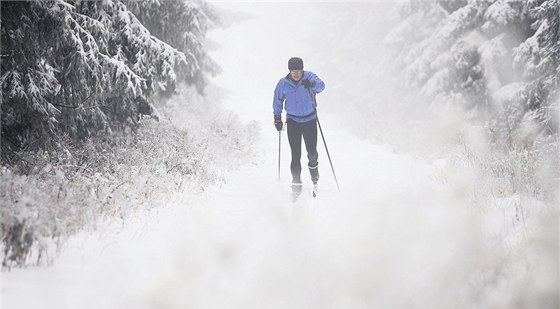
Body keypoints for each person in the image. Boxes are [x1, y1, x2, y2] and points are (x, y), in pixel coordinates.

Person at [273, 57, 325, 199]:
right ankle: (296, 185)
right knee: (295, 155)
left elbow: (321, 86)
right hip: (293, 121)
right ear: (289, 71)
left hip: (309, 120)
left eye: (298, 71)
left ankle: (314, 178)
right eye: (293, 71)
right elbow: (277, 100)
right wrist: (277, 118)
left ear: (302, 70)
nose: (296, 74)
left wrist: (312, 84)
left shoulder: (309, 77)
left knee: (312, 152)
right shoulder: (283, 83)